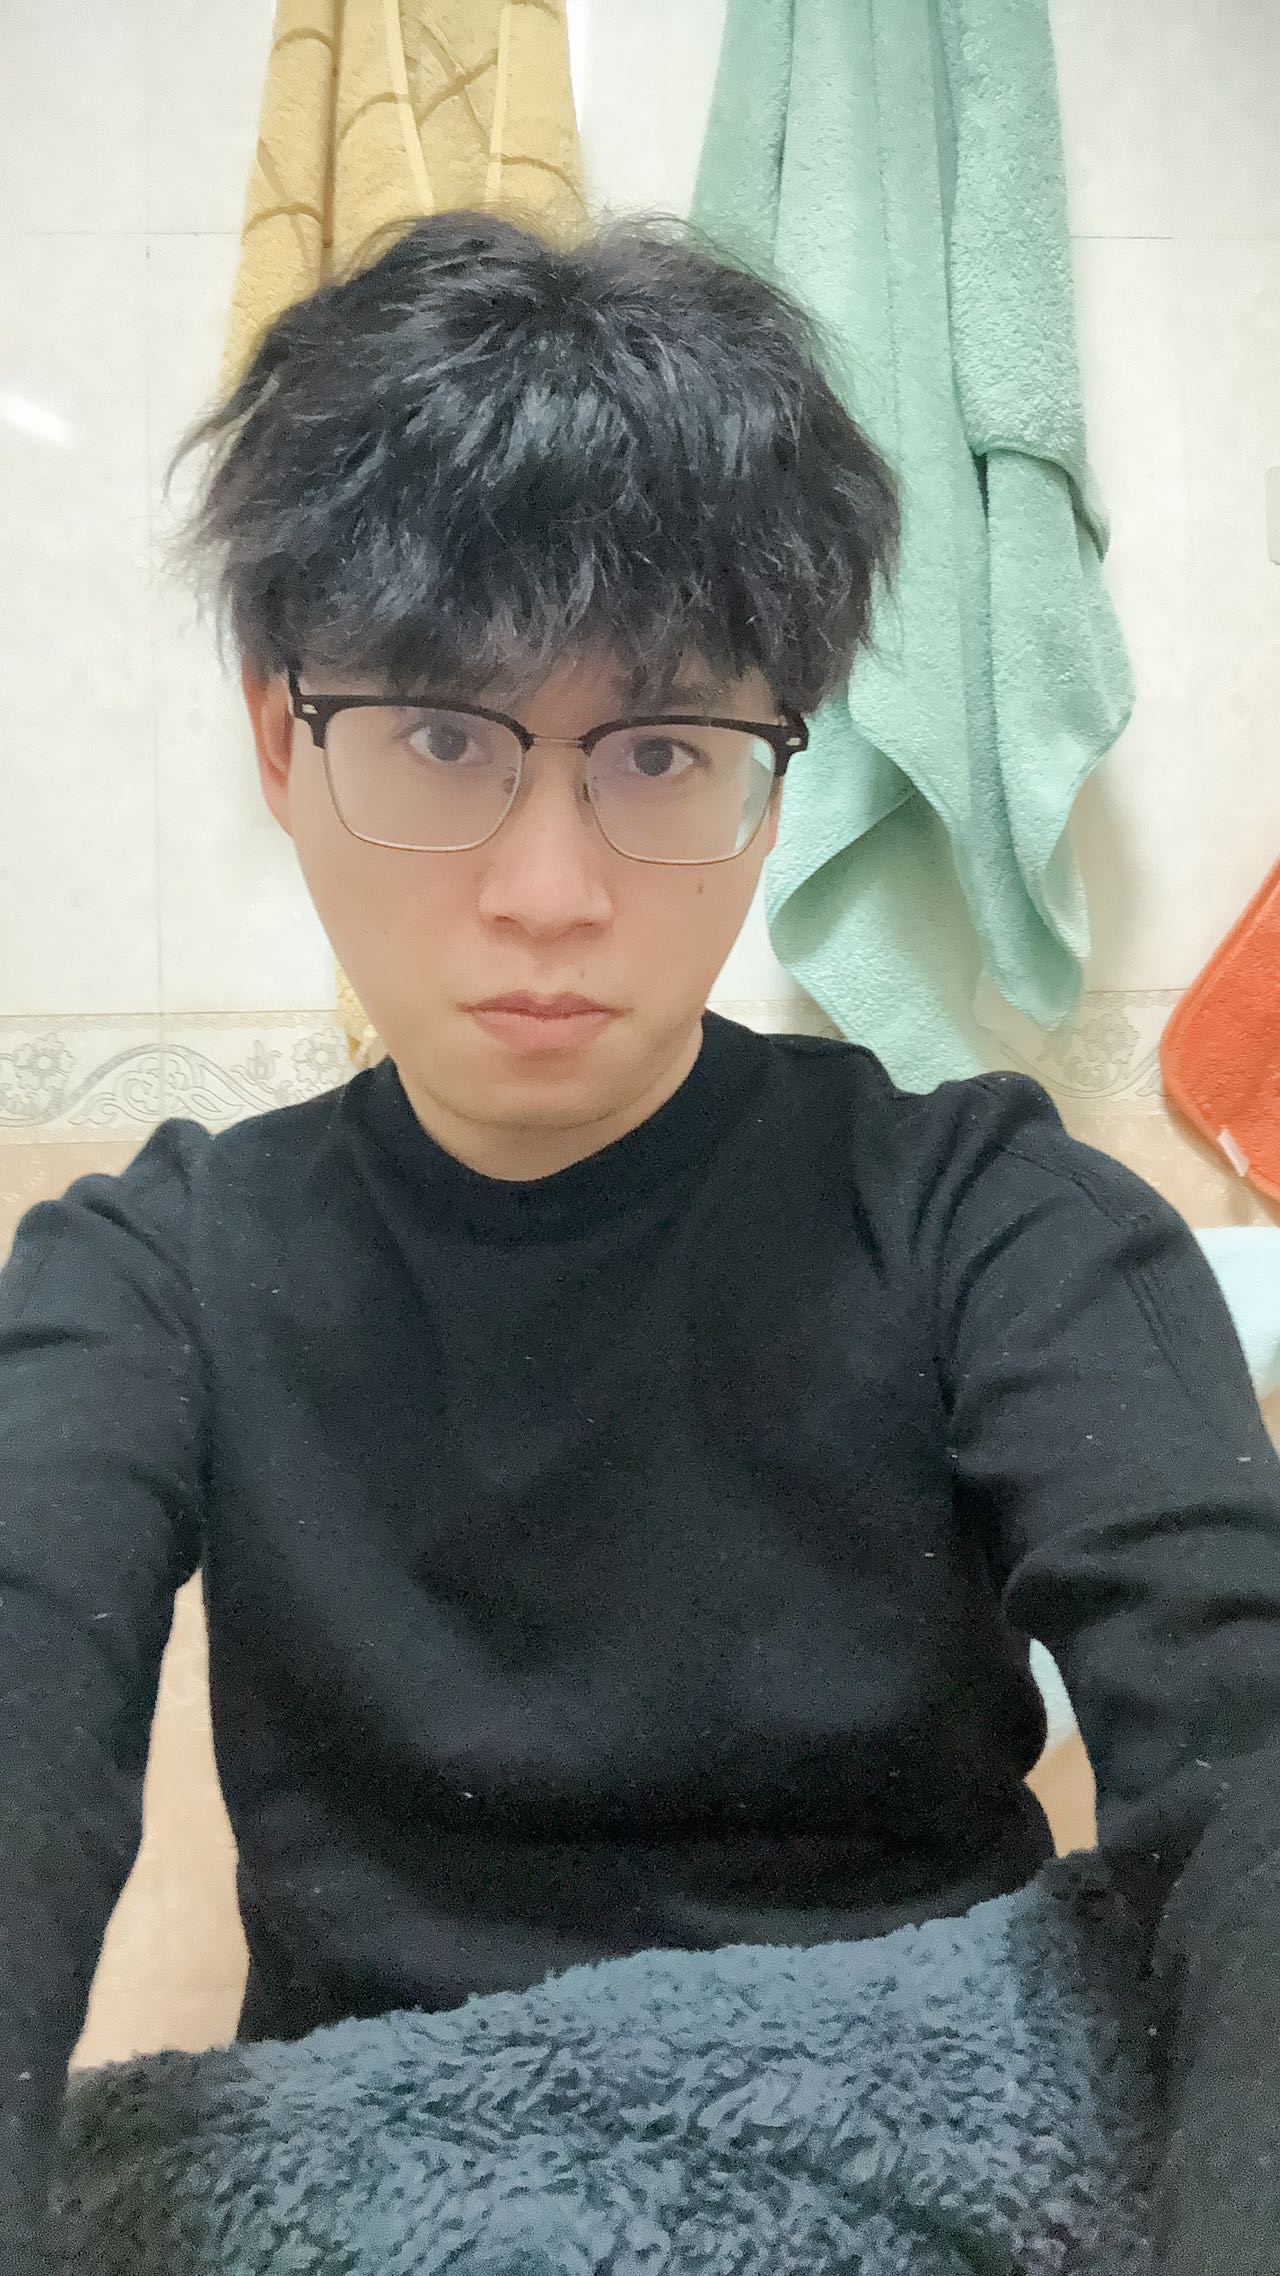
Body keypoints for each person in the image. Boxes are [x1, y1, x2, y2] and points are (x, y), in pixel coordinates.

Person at [3, 209, 1279, 2276]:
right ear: (279, 740)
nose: (548, 887)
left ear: (777, 776)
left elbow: (1250, 1744)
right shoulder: (150, 1274)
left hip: (930, 2155)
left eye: (662, 752)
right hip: (378, 2186)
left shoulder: (991, 1219)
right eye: (442, 735)